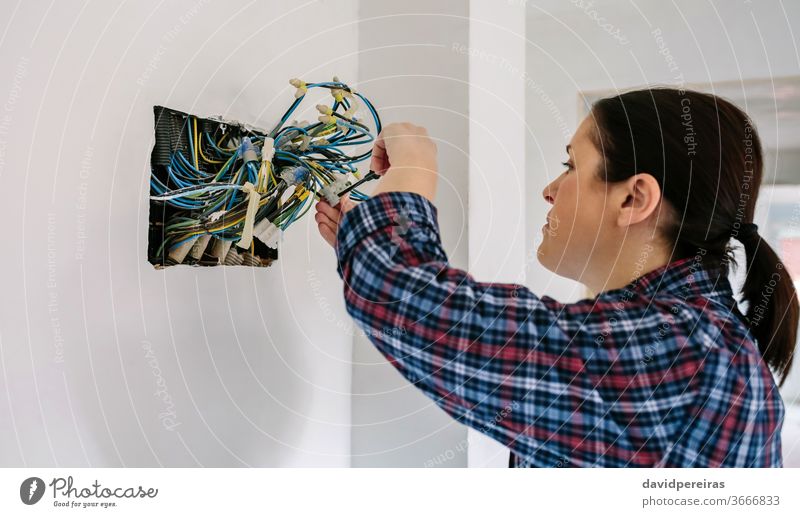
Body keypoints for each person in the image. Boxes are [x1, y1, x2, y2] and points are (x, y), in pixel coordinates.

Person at [314, 88, 799, 467]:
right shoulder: (694, 341)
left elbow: (402, 297)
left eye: (572, 165)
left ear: (634, 199)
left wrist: (413, 175)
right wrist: (369, 244)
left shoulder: (681, 356)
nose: (550, 190)